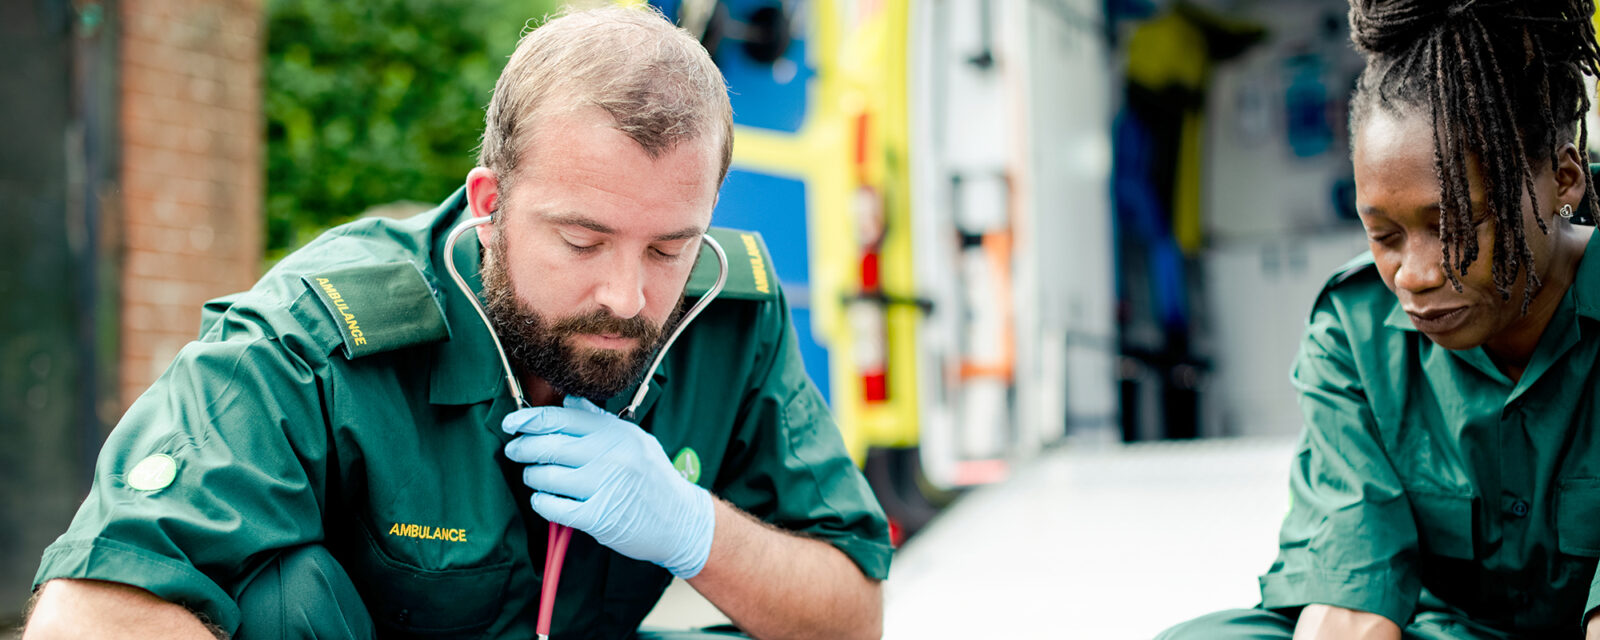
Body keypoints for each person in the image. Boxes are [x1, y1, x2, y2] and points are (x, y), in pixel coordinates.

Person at [22, 7, 890, 639]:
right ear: (491, 204)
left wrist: (696, 529)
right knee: (280, 599)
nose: (628, 297)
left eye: (669, 248)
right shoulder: (318, 337)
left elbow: (851, 614)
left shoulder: (729, 314)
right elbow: (89, 615)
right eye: (582, 240)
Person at [1160, 0, 1600, 638]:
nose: (1414, 275)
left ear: (1563, 178)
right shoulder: (1353, 333)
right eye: (1385, 235)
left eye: (1456, 225)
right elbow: (1351, 604)